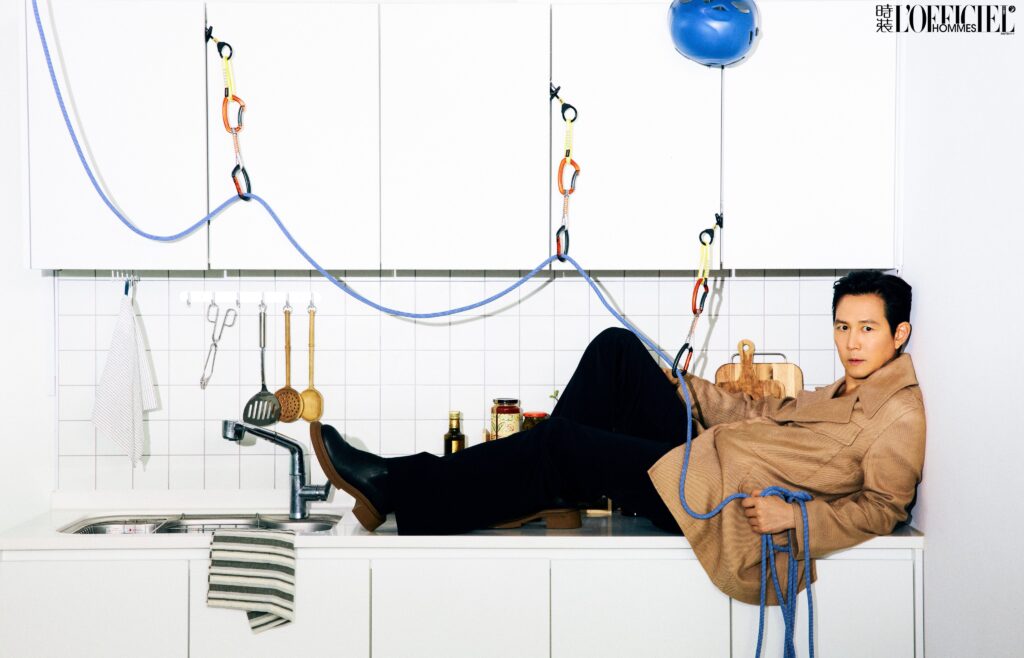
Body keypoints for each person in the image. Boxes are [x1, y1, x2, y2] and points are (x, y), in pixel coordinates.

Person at [310, 270, 925, 604]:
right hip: (705, 457)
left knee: (560, 446)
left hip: (717, 502)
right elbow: (756, 414)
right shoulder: (841, 389)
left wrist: (796, 520)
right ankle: (549, 489)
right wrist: (681, 385)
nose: (850, 342)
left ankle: (397, 485)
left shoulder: (898, 414)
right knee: (618, 351)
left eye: (867, 329)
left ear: (899, 334)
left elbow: (884, 506)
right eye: (843, 326)